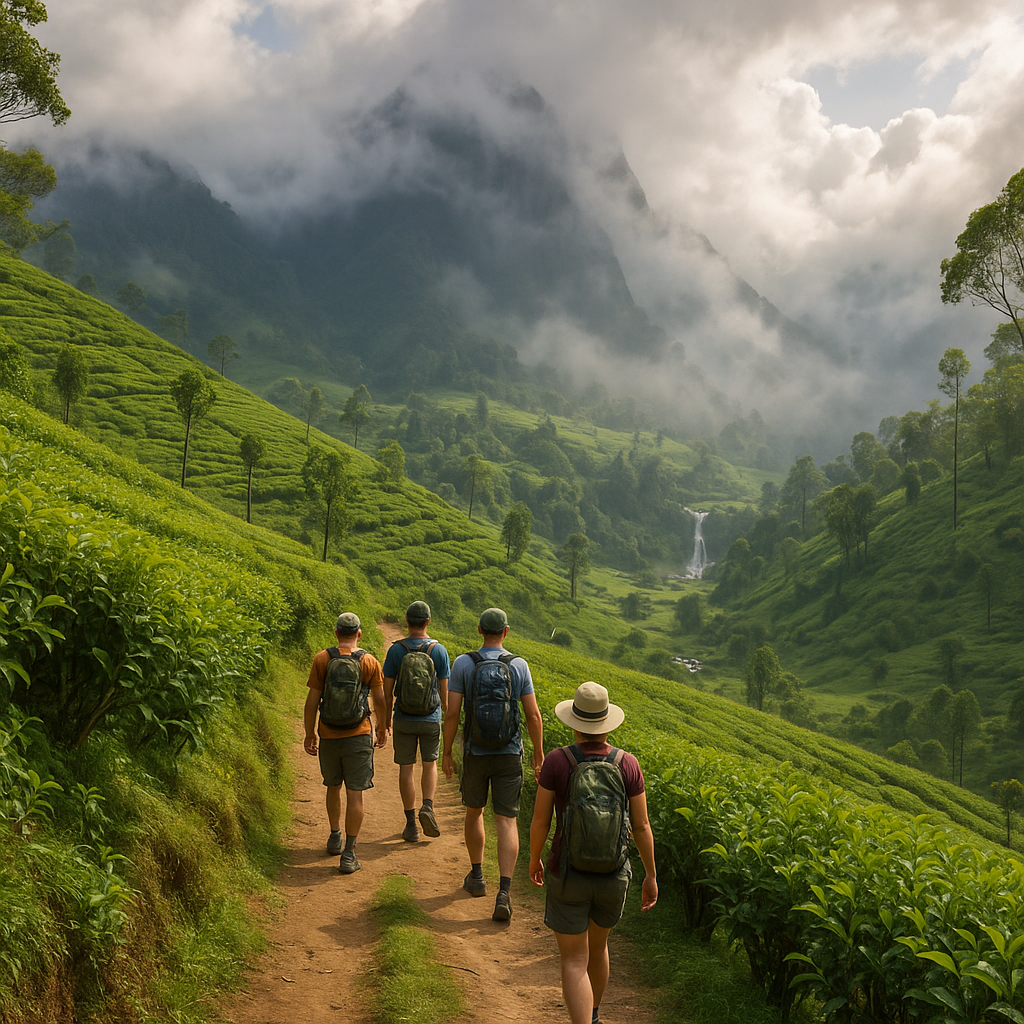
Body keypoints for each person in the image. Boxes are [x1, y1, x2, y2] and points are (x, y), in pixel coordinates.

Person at [529, 681, 657, 1024]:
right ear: (607, 723)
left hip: (568, 871)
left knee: (573, 960)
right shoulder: (627, 764)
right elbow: (642, 827)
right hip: (614, 875)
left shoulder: (558, 761)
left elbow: (540, 821)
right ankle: (595, 1016)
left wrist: (534, 858)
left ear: (574, 722)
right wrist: (651, 875)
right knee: (598, 949)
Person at [442, 607, 543, 923]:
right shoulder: (519, 666)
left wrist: (447, 752)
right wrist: (539, 755)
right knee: (507, 821)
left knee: (474, 812)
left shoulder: (464, 663)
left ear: (479, 629)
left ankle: (477, 877)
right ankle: (505, 892)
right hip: (510, 753)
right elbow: (533, 715)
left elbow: (452, 713)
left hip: (475, 752)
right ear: (506, 631)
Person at [303, 612, 388, 874]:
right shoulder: (369, 662)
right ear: (359, 634)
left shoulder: (322, 659)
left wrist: (310, 733)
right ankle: (349, 853)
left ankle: (334, 836)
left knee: (332, 786)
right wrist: (383, 728)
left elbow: (312, 702)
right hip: (359, 734)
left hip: (328, 733)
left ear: (337, 632)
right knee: (355, 793)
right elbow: (380, 700)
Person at [382, 600, 451, 842]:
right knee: (430, 764)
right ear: (428, 622)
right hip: (430, 718)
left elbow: (386, 691)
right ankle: (428, 807)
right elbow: (445, 695)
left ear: (407, 621)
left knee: (406, 768)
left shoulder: (396, 650)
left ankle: (410, 823)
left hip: (403, 717)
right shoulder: (439, 651)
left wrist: (385, 722)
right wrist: (444, 715)